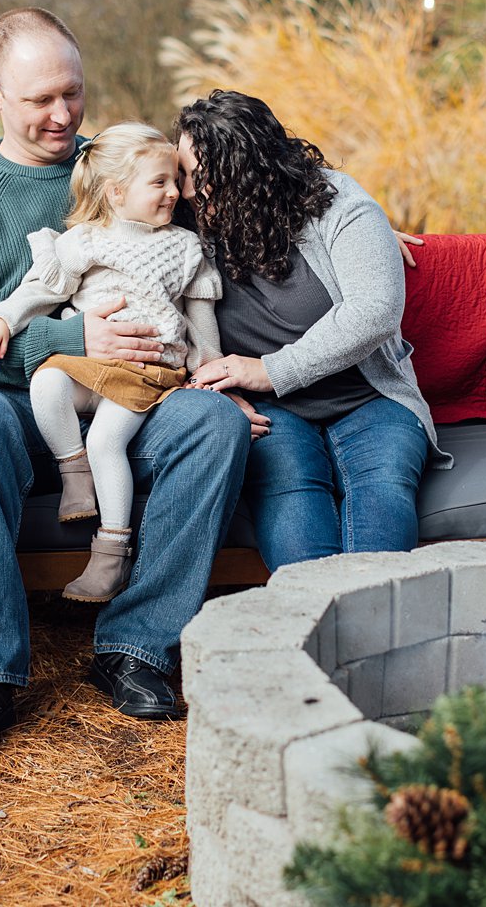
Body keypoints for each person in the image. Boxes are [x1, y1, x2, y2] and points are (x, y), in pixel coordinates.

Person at [0, 9, 256, 764]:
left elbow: (232, 208)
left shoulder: (120, 166)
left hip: (124, 389)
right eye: (39, 101)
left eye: (73, 93)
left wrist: (338, 223)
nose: (62, 115)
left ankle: (137, 647)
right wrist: (68, 339)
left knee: (212, 426)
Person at [177, 90, 452, 572]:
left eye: (201, 180)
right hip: (271, 412)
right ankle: (314, 628)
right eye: (183, 175)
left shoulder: (338, 204)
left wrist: (270, 370)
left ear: (252, 176)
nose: (183, 192)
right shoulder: (183, 219)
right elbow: (116, 162)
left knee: (384, 488)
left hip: (370, 399)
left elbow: (375, 310)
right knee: (290, 493)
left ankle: (367, 633)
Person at [0, 122, 222, 604]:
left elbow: (201, 323)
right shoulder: (85, 240)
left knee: (109, 439)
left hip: (147, 370)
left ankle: (111, 552)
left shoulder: (186, 246)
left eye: (175, 180)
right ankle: (75, 473)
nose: (175, 192)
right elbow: (42, 290)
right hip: (89, 363)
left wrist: (211, 373)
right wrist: (3, 319)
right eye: (160, 182)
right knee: (46, 382)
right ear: (115, 192)